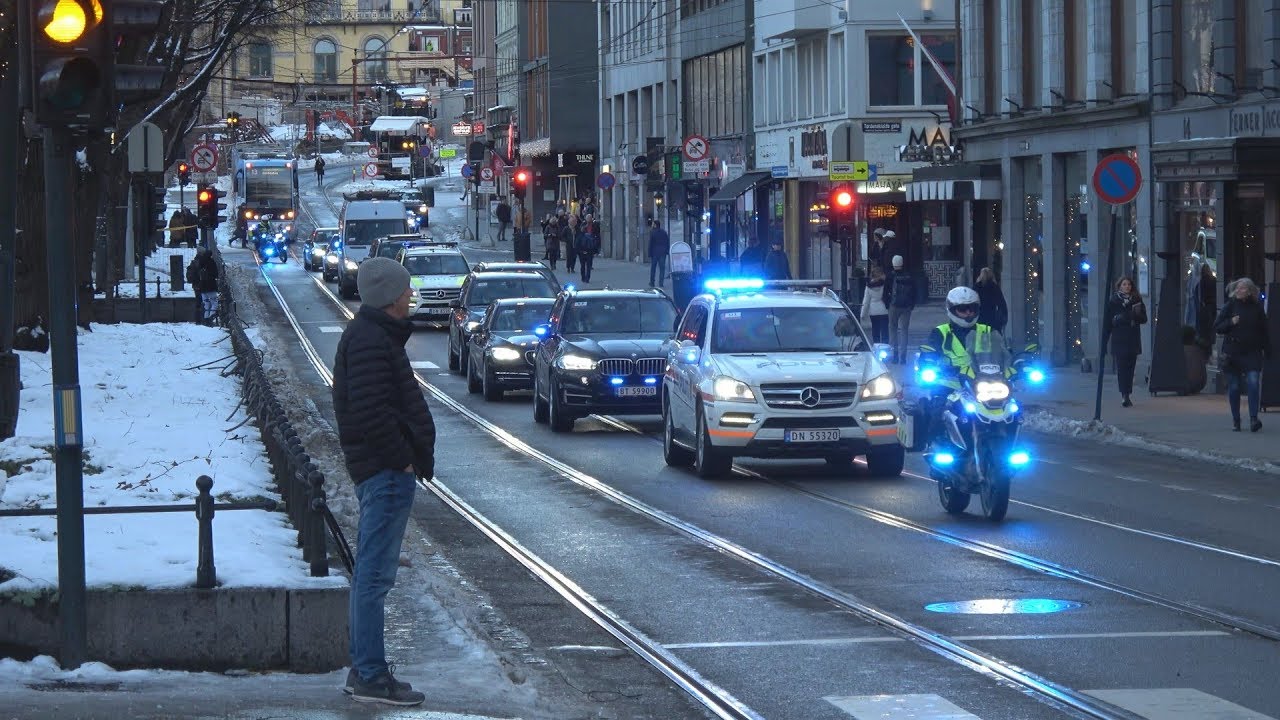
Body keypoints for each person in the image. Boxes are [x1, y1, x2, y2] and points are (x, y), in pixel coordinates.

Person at [332, 257, 435, 706]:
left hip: (383, 469)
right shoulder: (372, 340)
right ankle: (371, 675)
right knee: (374, 577)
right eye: (406, 289)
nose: (411, 295)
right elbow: (371, 411)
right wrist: (401, 460)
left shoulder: (373, 335)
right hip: (385, 472)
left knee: (370, 575)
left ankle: (364, 668)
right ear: (391, 297)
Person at [917, 286, 1007, 446]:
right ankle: (935, 448)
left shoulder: (987, 331)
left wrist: (1018, 364)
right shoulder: (940, 333)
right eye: (963, 309)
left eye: (972, 309)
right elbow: (929, 351)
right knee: (938, 411)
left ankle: (1008, 446)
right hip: (950, 386)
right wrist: (929, 362)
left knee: (1011, 409)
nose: (968, 313)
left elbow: (1003, 352)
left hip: (982, 385)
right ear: (951, 310)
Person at [1215, 278, 1270, 432]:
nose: (1239, 291)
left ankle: (1253, 419)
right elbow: (1217, 327)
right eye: (1237, 288)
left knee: (1253, 382)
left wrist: (1268, 350)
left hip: (1252, 352)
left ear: (1250, 292)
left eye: (1243, 288)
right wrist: (1231, 322)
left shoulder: (1257, 308)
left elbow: (1264, 330)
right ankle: (1236, 420)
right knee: (1234, 387)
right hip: (1233, 352)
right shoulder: (1231, 305)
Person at [1105, 276, 1147, 408]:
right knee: (1122, 368)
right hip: (1120, 339)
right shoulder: (1114, 301)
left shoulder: (1136, 300)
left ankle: (1127, 393)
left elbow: (1144, 318)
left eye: (1129, 284)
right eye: (1124, 284)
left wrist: (1135, 315)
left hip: (1132, 339)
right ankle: (1124, 395)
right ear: (1120, 286)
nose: (1127, 287)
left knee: (1130, 368)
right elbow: (1109, 321)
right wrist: (1105, 340)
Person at [882, 255, 916, 364]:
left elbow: (885, 292)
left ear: (893, 263)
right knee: (904, 331)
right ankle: (903, 357)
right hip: (906, 307)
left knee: (893, 330)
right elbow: (914, 291)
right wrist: (911, 305)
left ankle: (894, 355)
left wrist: (887, 305)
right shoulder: (909, 276)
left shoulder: (890, 276)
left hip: (894, 306)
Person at [973, 267, 1008, 335]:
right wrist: (1003, 319)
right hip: (991, 316)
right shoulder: (994, 287)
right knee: (991, 335)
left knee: (979, 335)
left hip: (979, 316)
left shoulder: (976, 287)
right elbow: (1002, 304)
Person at [860, 268, 889, 344]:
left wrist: (862, 314)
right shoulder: (885, 284)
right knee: (885, 332)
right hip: (884, 310)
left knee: (875, 331)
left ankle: (877, 346)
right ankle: (885, 347)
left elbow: (866, 301)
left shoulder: (868, 286)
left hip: (873, 312)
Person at [196, 248, 220, 325]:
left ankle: (205, 320)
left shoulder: (200, 262)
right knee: (214, 303)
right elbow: (215, 273)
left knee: (207, 304)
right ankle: (211, 319)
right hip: (210, 286)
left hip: (202, 286)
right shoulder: (211, 262)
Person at [574, 218, 601, 283]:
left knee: (582, 265)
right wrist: (595, 251)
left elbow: (576, 245)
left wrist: (578, 252)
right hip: (589, 252)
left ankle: (583, 277)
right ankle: (587, 278)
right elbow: (594, 244)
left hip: (582, 253)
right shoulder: (591, 236)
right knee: (588, 266)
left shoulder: (579, 236)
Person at [648, 219, 670, 287]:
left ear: (655, 225)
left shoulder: (652, 232)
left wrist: (649, 253)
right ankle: (661, 283)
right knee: (662, 268)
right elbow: (667, 242)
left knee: (653, 268)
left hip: (654, 253)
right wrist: (667, 251)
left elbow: (650, 244)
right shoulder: (664, 232)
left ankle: (652, 282)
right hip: (663, 253)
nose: (652, 225)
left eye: (653, 224)